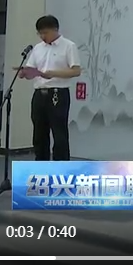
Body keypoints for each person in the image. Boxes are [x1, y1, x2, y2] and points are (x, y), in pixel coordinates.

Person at [18, 15, 81, 161]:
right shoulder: (37, 48)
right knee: (39, 133)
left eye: (45, 33)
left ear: (55, 29)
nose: (42, 36)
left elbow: (76, 71)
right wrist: (24, 73)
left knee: (59, 133)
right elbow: (31, 70)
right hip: (39, 93)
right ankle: (41, 165)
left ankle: (61, 167)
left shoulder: (68, 46)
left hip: (58, 93)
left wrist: (53, 74)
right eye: (39, 33)